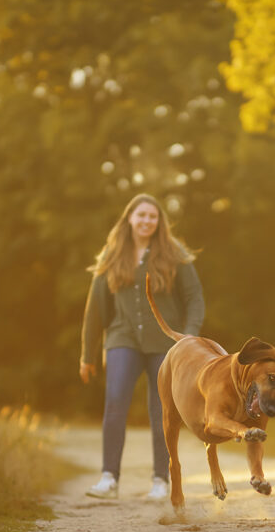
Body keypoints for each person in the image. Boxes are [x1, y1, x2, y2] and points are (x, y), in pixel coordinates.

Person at [80, 193, 205, 500]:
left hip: (166, 342)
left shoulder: (174, 254)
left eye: (153, 216)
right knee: (115, 402)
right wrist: (87, 355)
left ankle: (161, 480)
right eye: (142, 215)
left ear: (159, 221)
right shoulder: (112, 254)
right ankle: (109, 478)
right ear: (130, 218)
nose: (147, 221)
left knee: (162, 411)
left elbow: (194, 299)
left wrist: (188, 339)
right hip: (122, 338)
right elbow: (95, 309)